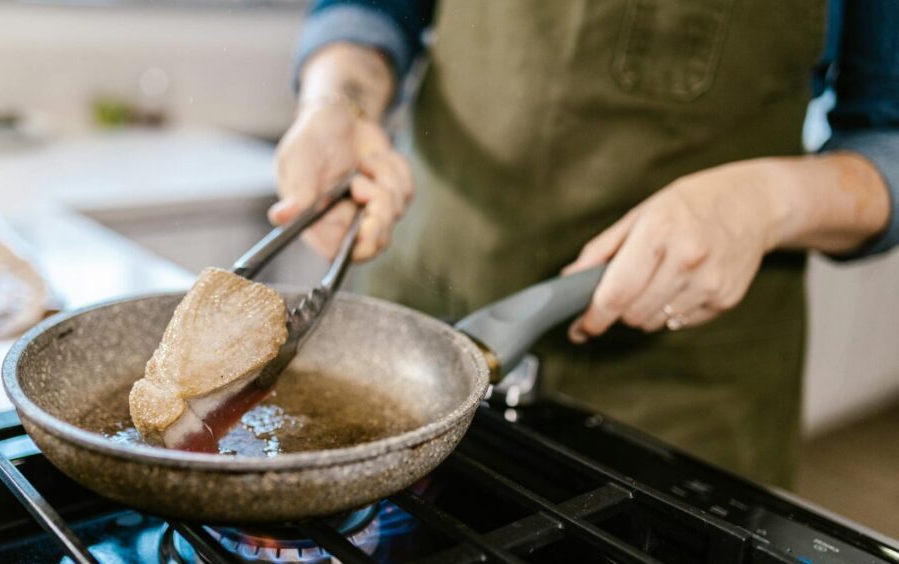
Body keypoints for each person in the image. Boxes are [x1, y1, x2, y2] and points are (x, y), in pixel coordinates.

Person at [272, 0, 899, 488]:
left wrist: (766, 201)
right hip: (419, 338)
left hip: (681, 397)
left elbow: (887, 137)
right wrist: (337, 101)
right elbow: (372, 9)